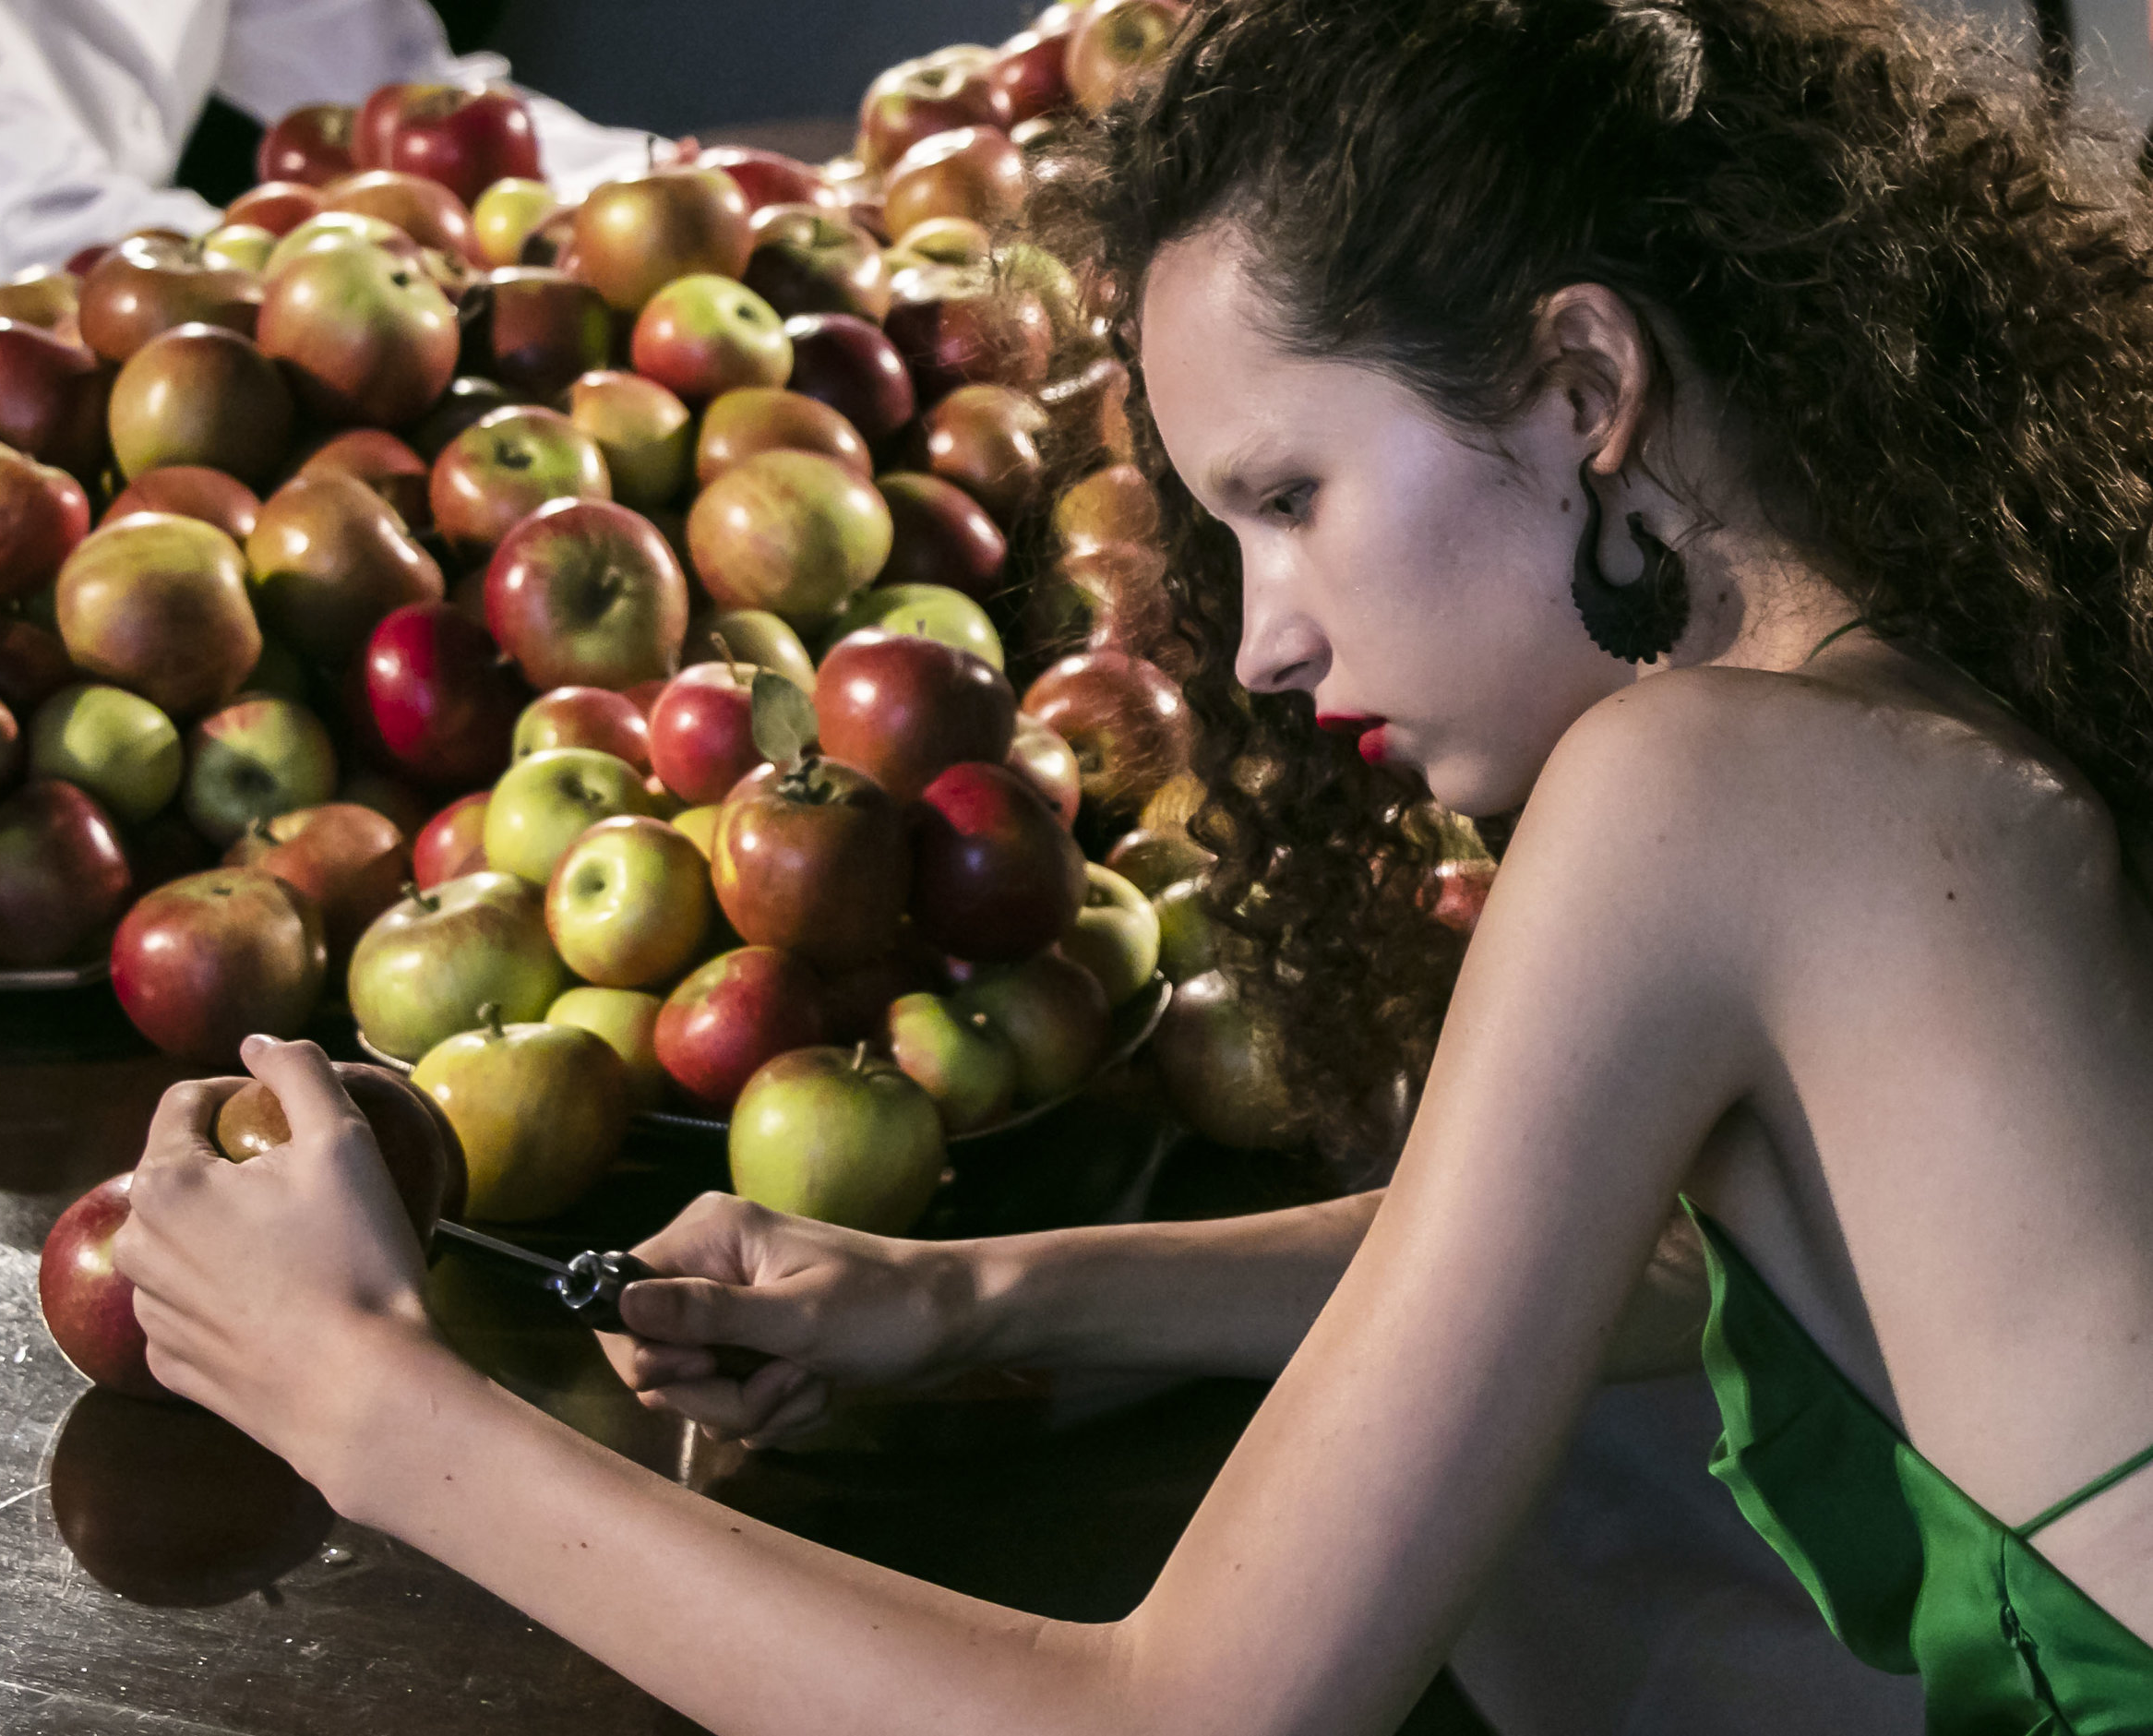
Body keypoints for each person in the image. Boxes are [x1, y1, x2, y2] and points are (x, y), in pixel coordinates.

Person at [115, 0, 2153, 1730]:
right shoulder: (1932, 689)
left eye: (1289, 493)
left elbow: (1179, 1718)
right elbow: (1701, 1266)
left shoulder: (1695, 781)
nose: (1262, 634)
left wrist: (366, 1404)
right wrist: (988, 1292)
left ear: (1582, 387)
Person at [0, 0, 650, 378]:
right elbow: (28, 204)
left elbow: (407, 95)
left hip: (125, 358)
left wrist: (640, 176)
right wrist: (339, 273)